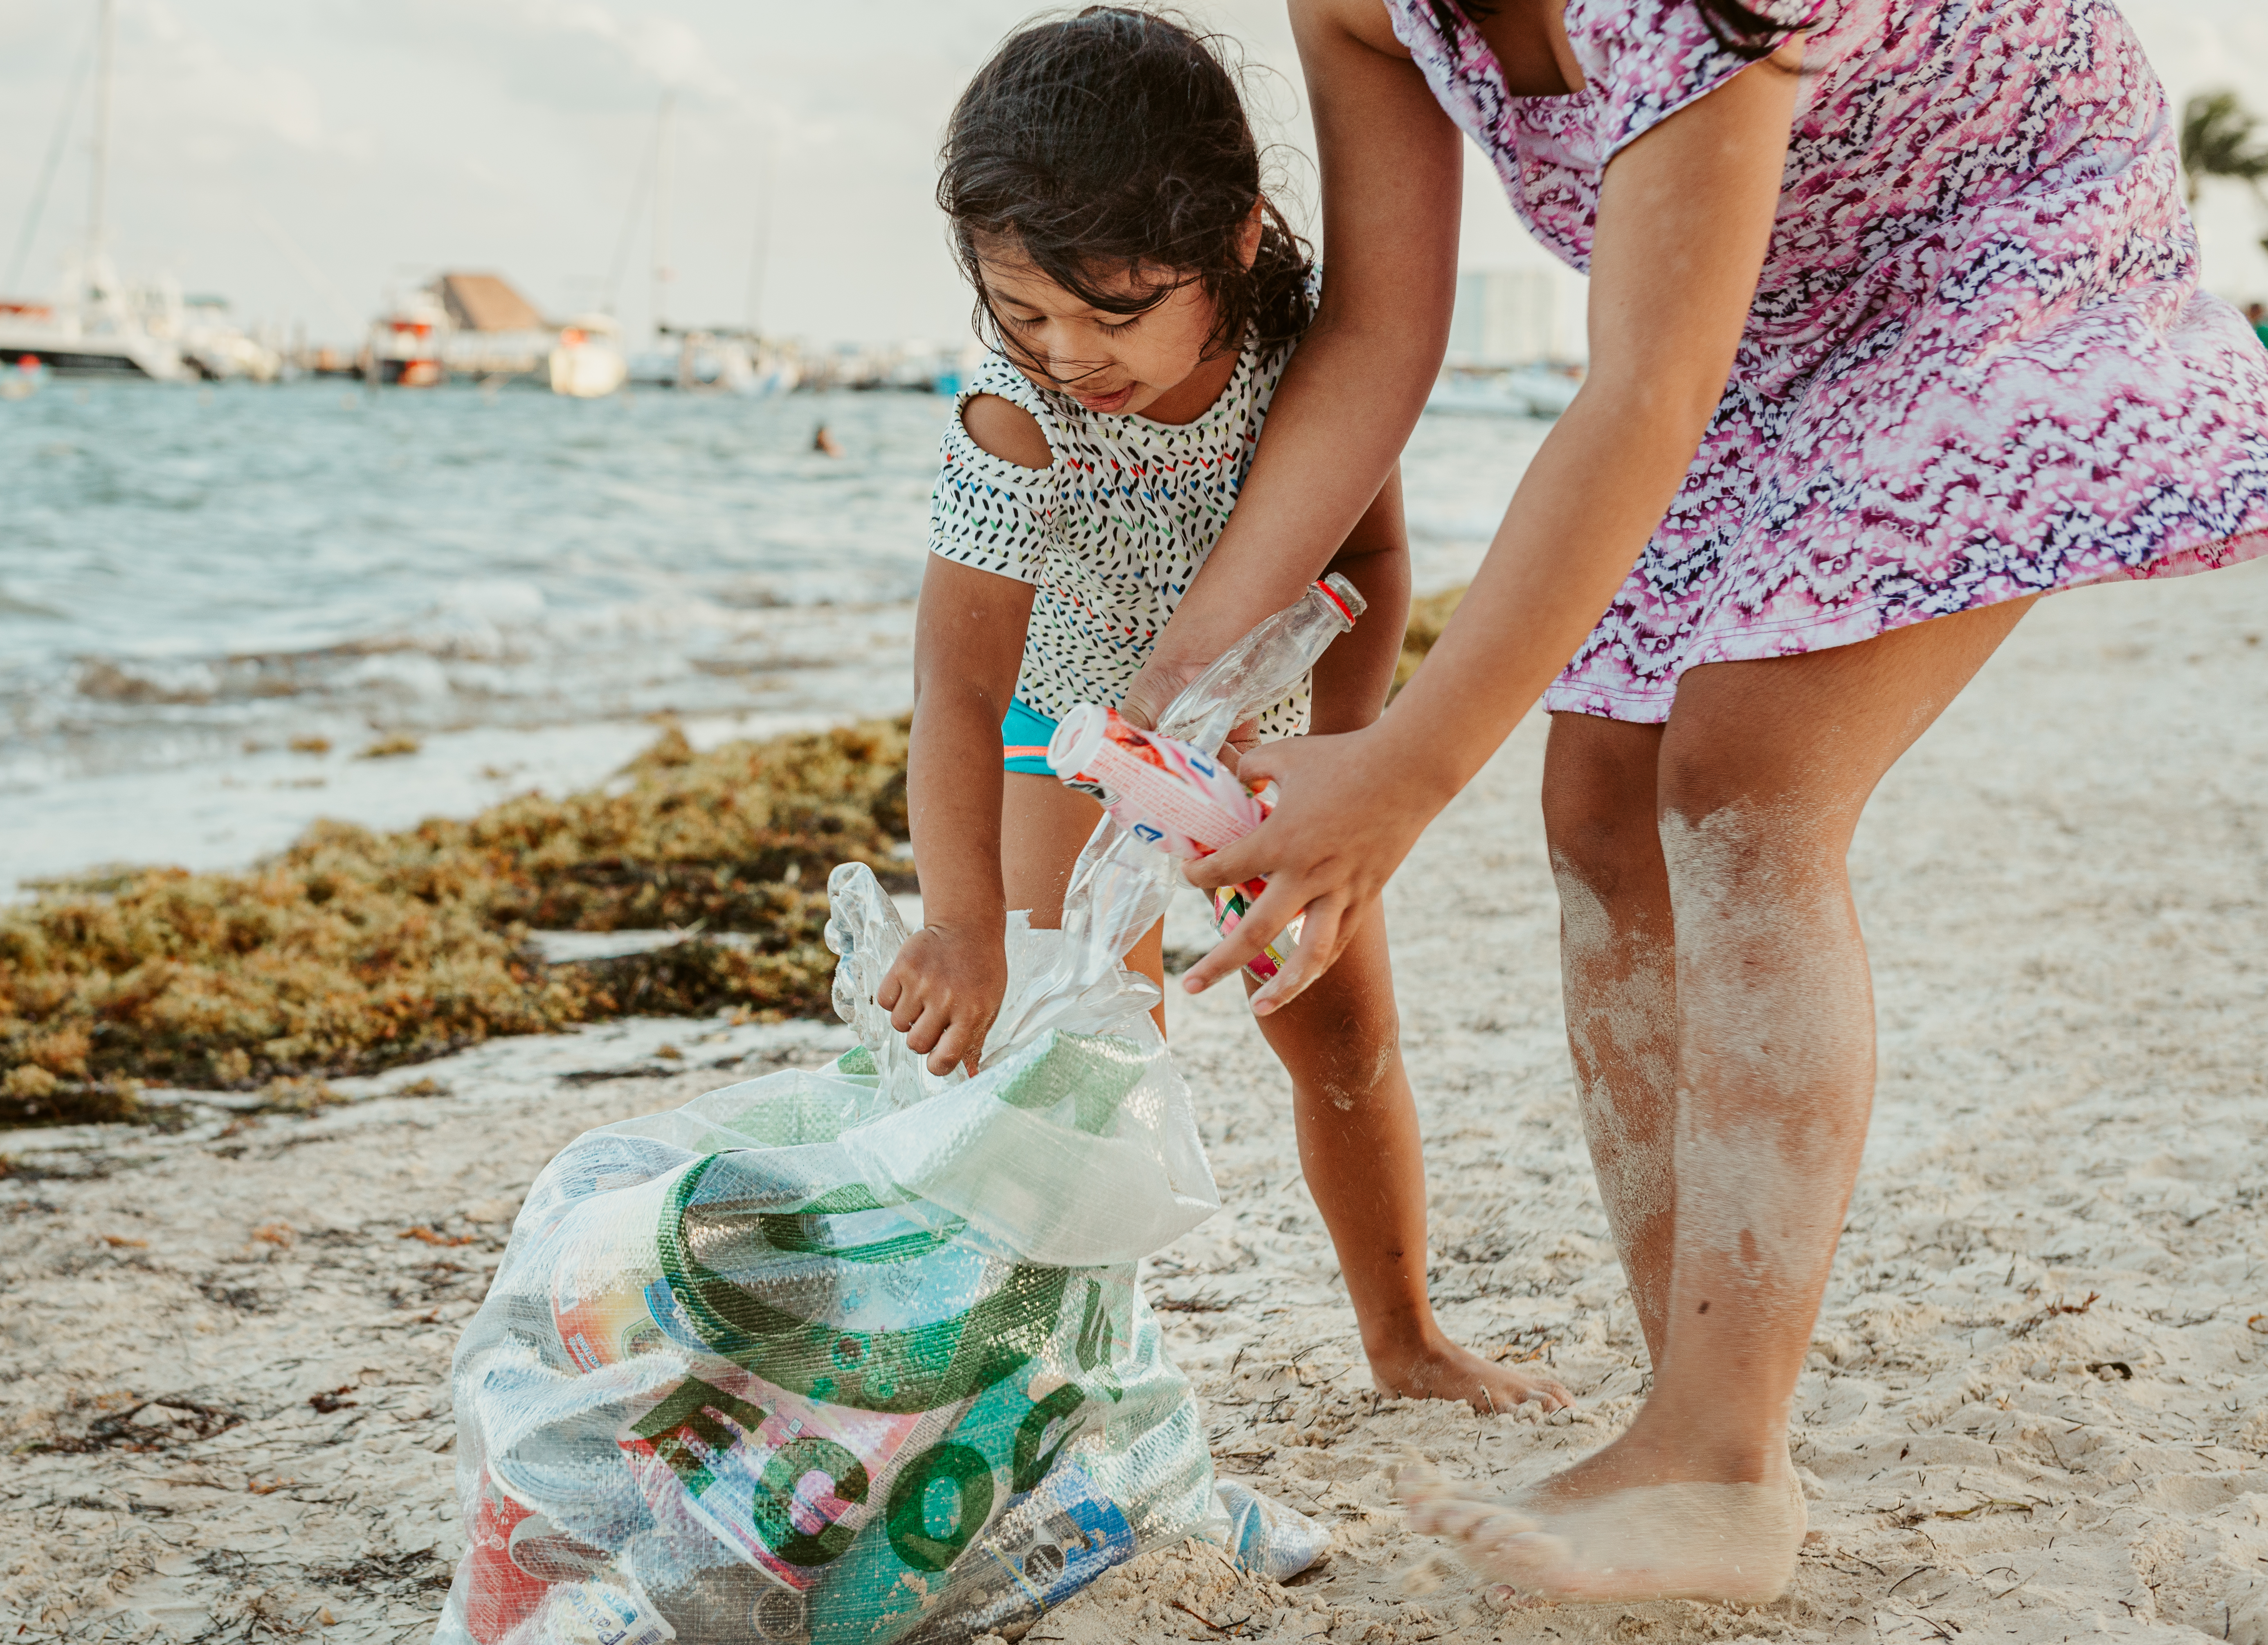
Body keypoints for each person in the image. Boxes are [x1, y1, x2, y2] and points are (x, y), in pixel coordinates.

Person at [1127, 0, 2268, 1606]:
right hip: (1765, 317)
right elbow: (1381, 337)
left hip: (1992, 248)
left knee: (1744, 783)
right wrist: (1186, 662)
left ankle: (1724, 1465)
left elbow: (1646, 389)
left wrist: (1398, 775)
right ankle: (1687, 1414)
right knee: (1596, 806)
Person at [875, 7, 1571, 1416]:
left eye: (1112, 308)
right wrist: (956, 924)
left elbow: (1368, 562)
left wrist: (1341, 750)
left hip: (1247, 755)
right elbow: (956, 689)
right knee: (1075, 1073)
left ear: (1236, 241)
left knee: (1345, 1045)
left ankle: (1405, 1339)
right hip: (1059, 745)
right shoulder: (1019, 417)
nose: (1070, 350)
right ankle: (1062, 1381)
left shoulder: (1302, 364)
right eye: (1024, 312)